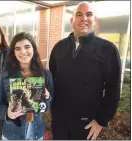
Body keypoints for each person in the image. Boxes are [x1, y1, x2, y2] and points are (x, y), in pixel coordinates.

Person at [49, 1, 121, 140]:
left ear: (94, 19)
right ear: (72, 20)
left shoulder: (108, 49)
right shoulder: (59, 47)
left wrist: (101, 120)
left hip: (87, 124)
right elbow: (51, 80)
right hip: (60, 122)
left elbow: (113, 89)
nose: (84, 18)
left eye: (89, 14)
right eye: (79, 14)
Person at [0, 32, 54, 140]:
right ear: (13, 52)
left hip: (37, 132)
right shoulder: (6, 75)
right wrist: (7, 114)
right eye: (18, 48)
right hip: (12, 133)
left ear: (33, 49)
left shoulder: (46, 75)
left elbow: (49, 106)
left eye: (27, 47)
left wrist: (47, 97)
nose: (23, 52)